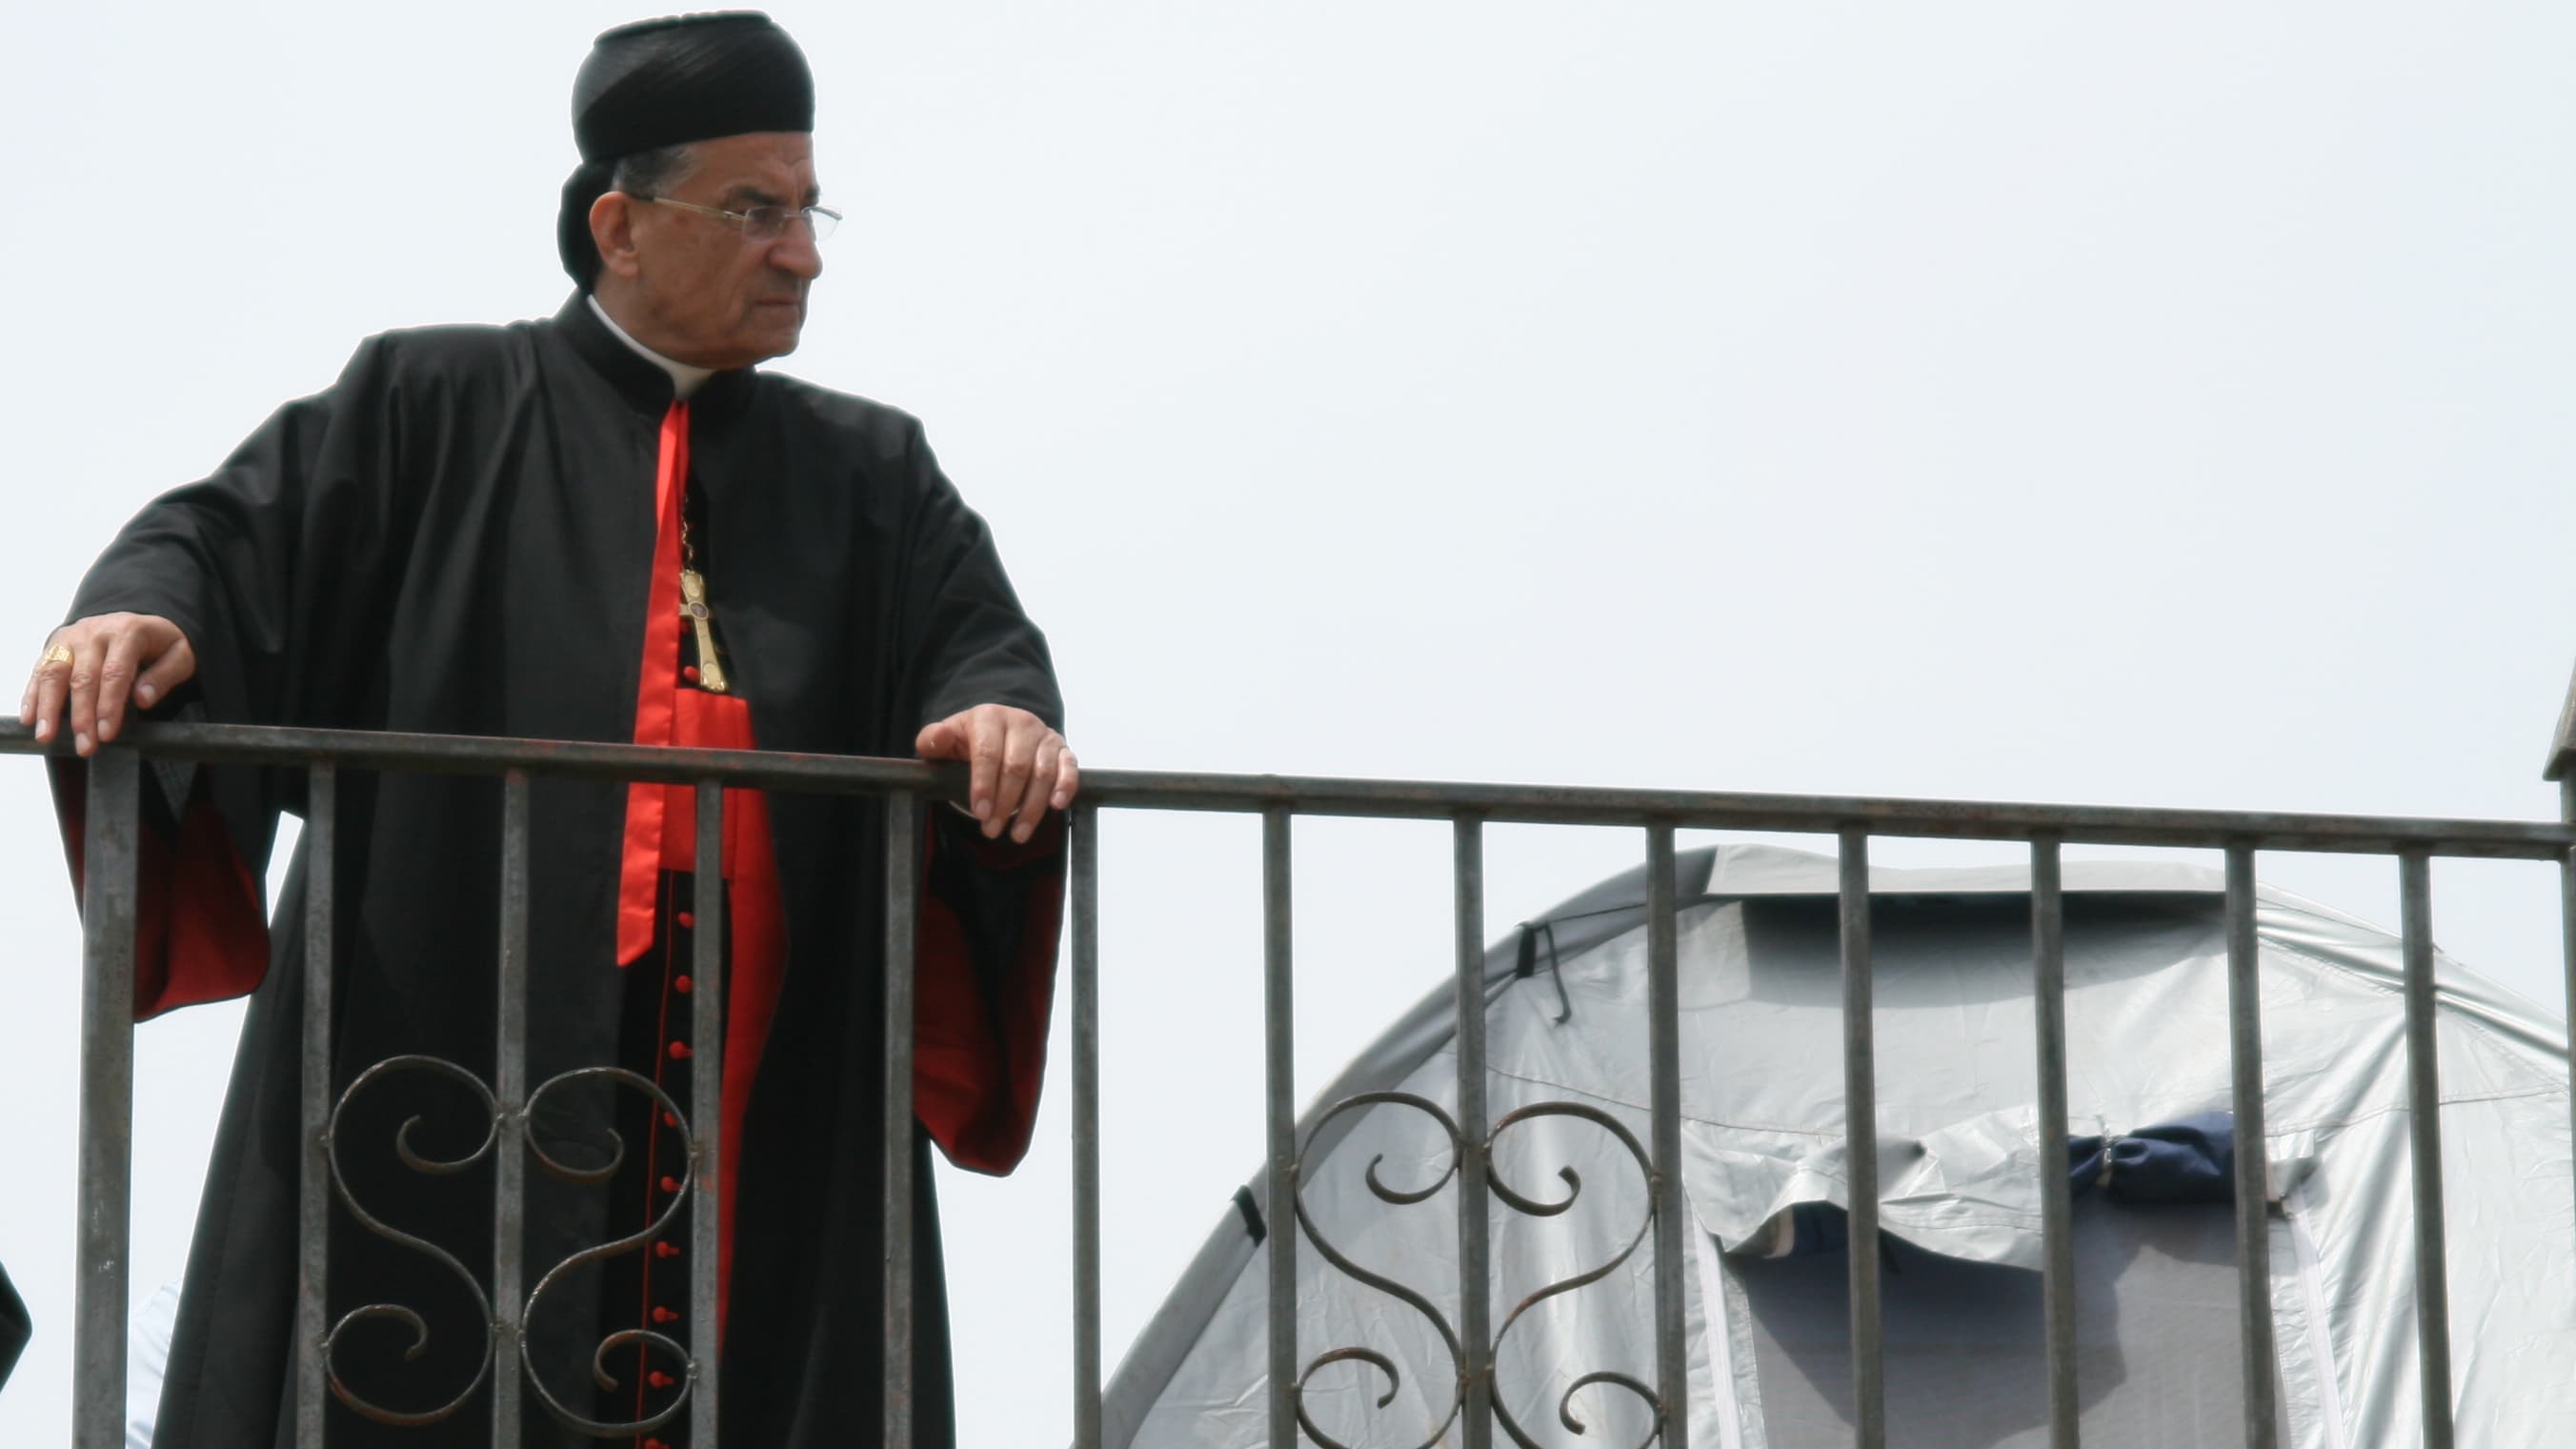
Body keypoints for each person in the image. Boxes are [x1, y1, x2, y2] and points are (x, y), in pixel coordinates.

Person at [24, 12, 1074, 1447]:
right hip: (445, 1070)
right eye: (757, 211)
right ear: (620, 226)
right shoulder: (428, 404)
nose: (805, 252)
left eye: (810, 208)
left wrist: (1000, 713)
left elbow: (980, 650)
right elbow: (214, 543)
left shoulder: (872, 473)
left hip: (769, 1086)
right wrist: (136, 613)